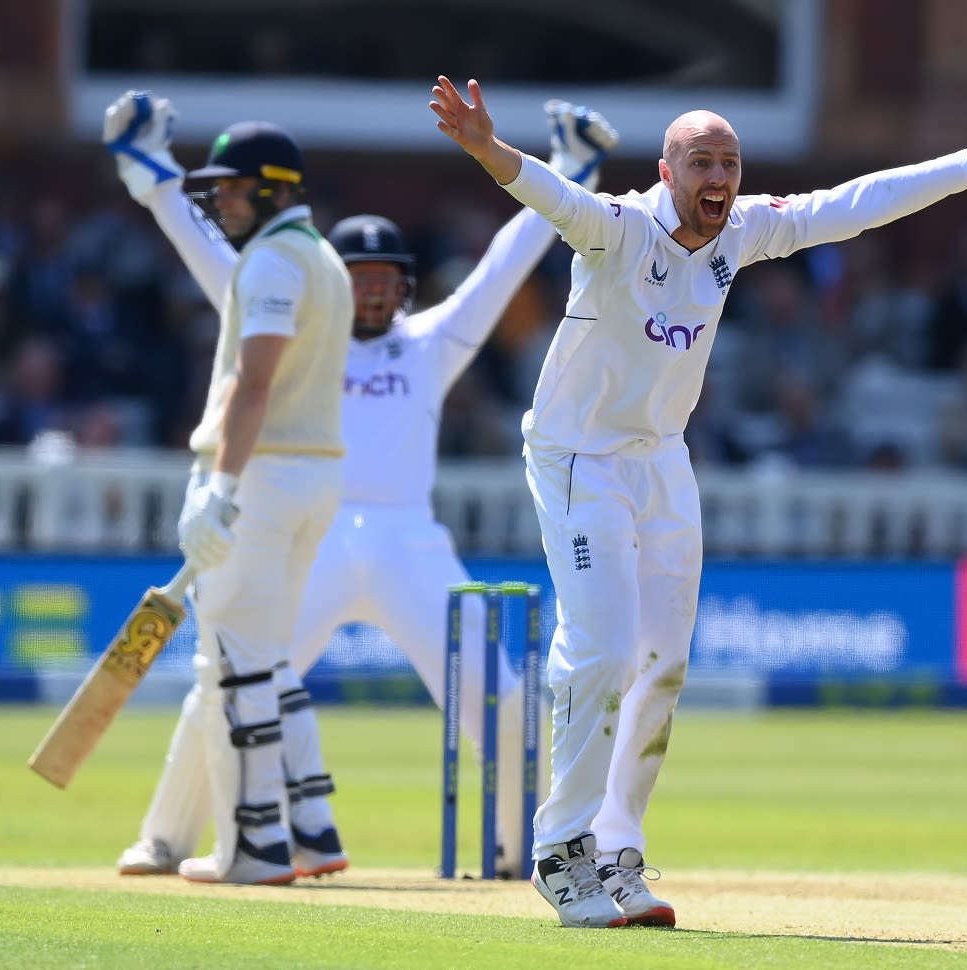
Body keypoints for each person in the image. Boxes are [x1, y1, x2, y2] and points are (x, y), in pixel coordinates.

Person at [429, 74, 967, 928]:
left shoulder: (743, 230)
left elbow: (852, 206)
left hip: (660, 460)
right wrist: (484, 149)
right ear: (666, 170)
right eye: (699, 162)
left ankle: (617, 850)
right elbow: (551, 192)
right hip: (579, 458)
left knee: (663, 663)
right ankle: (561, 852)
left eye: (728, 161)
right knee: (603, 648)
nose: (717, 176)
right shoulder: (615, 228)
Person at [113, 100, 619, 880]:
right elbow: (207, 246)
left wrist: (572, 173)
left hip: (408, 543)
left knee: (504, 696)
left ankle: (525, 852)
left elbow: (503, 266)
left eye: (387, 282)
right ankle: (166, 838)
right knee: (230, 679)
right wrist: (154, 180)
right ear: (338, 281)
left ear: (405, 289)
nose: (375, 295)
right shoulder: (296, 301)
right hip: (307, 534)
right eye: (363, 280)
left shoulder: (429, 344)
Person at [102, 91, 353, 885]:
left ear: (276, 188)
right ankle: (304, 828)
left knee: (236, 667)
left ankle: (255, 847)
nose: (224, 201)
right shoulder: (322, 255)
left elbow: (253, 383)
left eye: (235, 189)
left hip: (263, 474)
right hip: (313, 476)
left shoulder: (277, 259)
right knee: (258, 660)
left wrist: (222, 488)